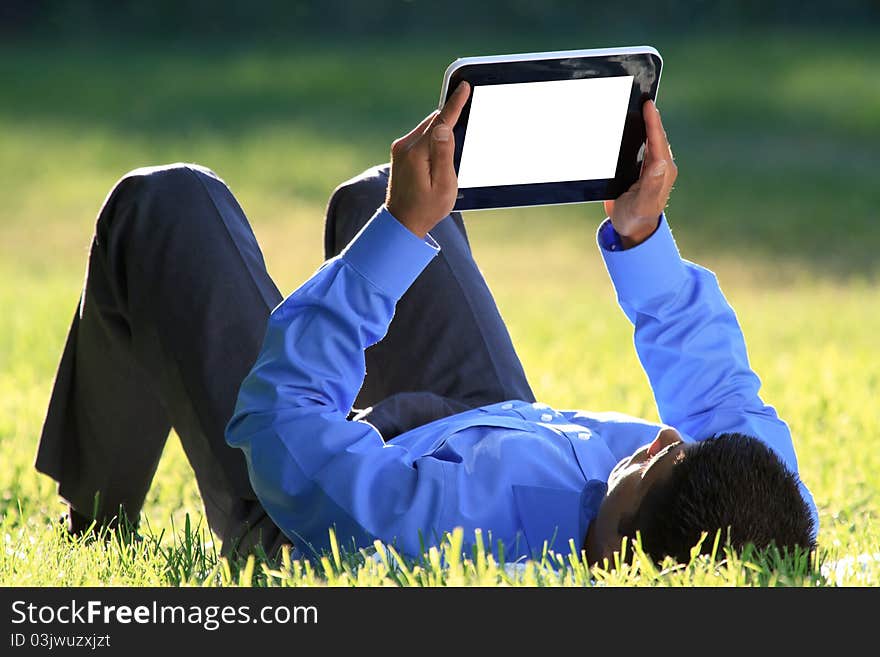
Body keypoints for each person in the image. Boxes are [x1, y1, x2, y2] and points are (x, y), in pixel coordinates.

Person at [36, 81, 817, 567]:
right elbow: (721, 394)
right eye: (675, 445)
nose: (657, 438)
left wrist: (396, 240)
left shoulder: (442, 538)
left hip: (302, 496)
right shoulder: (765, 512)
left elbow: (281, 412)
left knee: (167, 205)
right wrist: (642, 235)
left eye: (646, 469)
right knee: (384, 194)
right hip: (489, 424)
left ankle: (95, 520)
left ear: (616, 562)